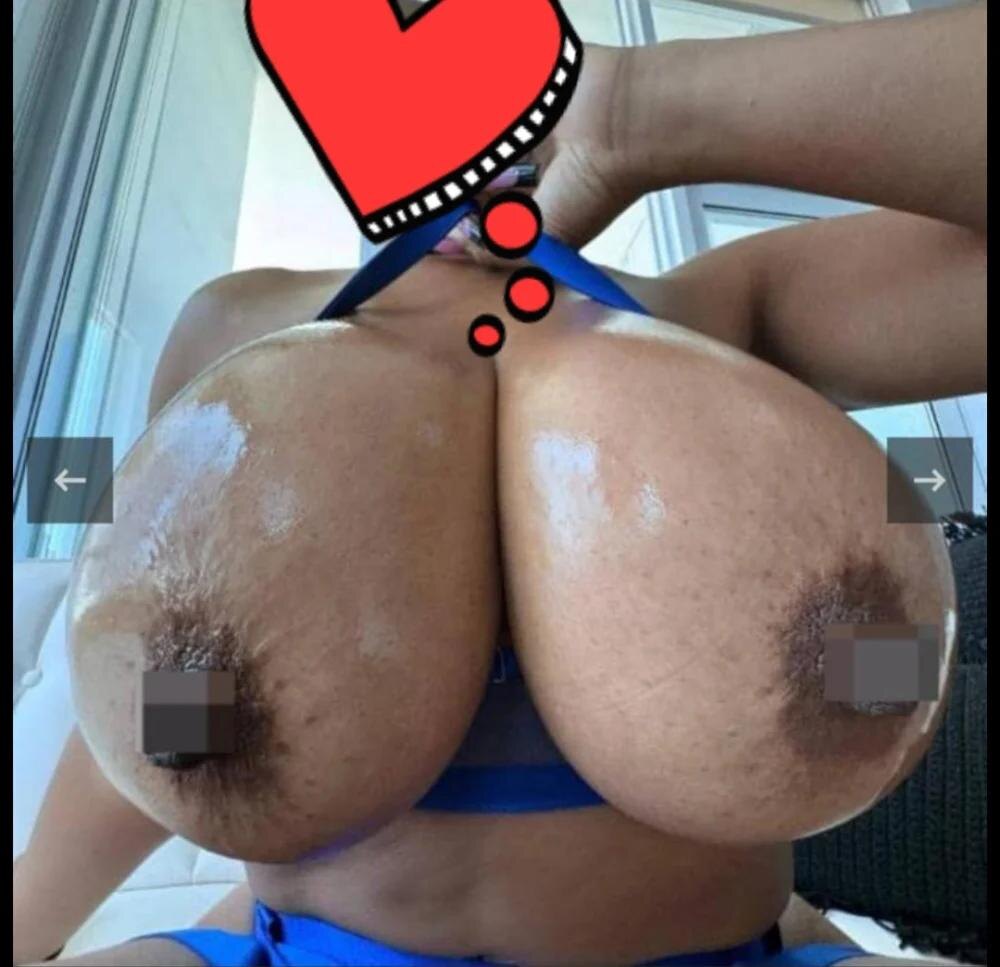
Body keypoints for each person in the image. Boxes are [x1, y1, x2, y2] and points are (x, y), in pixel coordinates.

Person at [13, 5, 985, 965]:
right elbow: (152, 691)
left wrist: (636, 109)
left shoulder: (723, 312)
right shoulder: (234, 327)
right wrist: (30, 916)